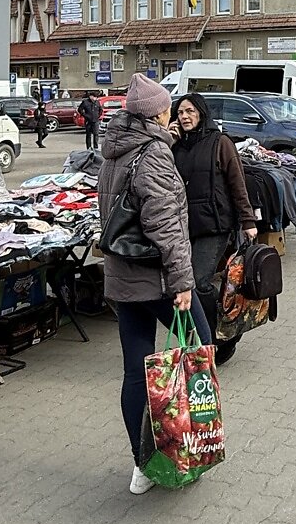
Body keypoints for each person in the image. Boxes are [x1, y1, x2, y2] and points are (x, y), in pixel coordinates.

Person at [98, 73, 212, 495]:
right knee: (199, 351)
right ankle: (189, 441)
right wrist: (183, 282)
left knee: (135, 372)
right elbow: (165, 224)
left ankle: (142, 463)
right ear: (158, 113)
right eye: (169, 108)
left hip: (123, 279)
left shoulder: (113, 151)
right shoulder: (154, 154)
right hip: (159, 279)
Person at [171, 92, 257, 357]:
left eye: (190, 112)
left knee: (198, 281)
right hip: (184, 226)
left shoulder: (220, 142)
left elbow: (237, 183)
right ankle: (198, 339)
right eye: (181, 112)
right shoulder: (176, 145)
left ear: (202, 113)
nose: (185, 117)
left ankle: (220, 335)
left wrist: (248, 220)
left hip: (215, 224)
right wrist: (168, 138)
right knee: (180, 286)